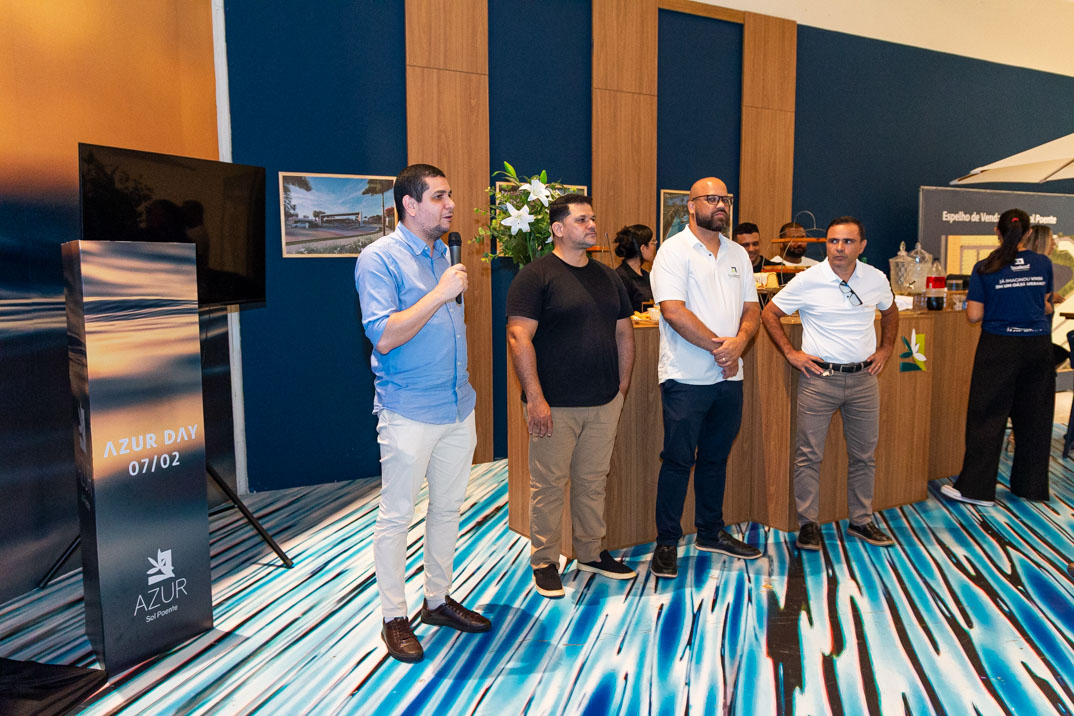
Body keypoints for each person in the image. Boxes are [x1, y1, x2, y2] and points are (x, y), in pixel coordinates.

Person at [354, 163, 491, 663]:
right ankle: (394, 617)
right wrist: (439, 294)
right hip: (408, 410)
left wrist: (444, 288)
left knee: (448, 508)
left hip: (457, 405)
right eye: (438, 197)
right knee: (396, 516)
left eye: (449, 194)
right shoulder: (378, 259)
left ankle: (436, 600)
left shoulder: (443, 255)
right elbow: (385, 335)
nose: (450, 205)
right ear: (409, 205)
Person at [506, 193, 637, 598]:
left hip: (604, 401)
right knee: (548, 486)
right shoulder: (536, 276)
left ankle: (591, 553)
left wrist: (621, 387)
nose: (592, 225)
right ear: (558, 229)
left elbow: (624, 331)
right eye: (582, 220)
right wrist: (535, 398)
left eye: (593, 218)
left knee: (593, 482)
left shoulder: (608, 277)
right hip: (554, 405)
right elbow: (518, 336)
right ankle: (544, 561)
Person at [761, 216, 899, 551]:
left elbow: (891, 312)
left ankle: (861, 521)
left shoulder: (876, 278)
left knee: (864, 456)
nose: (839, 248)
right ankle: (808, 525)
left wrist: (886, 349)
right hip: (819, 380)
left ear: (861, 246)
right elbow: (769, 313)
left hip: (864, 379)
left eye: (848, 242)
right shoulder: (808, 279)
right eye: (833, 241)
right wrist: (791, 353)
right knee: (808, 455)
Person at [648, 177, 762, 579]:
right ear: (691, 205)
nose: (721, 205)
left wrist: (740, 343)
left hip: (729, 378)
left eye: (725, 198)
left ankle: (711, 532)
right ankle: (666, 542)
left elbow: (752, 309)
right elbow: (673, 311)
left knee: (715, 458)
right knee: (678, 461)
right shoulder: (672, 251)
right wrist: (723, 350)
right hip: (686, 377)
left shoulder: (737, 254)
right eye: (711, 199)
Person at [941, 209, 1054, 507]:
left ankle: (977, 490)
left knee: (987, 417)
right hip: (1038, 346)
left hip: (999, 346)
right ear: (1029, 233)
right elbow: (1045, 304)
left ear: (996, 231)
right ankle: (1031, 487)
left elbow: (974, 315)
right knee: (1035, 418)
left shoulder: (985, 267)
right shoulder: (1043, 263)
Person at [614, 224, 657, 312]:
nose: (654, 247)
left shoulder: (646, 275)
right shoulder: (620, 277)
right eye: (652, 242)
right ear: (643, 248)